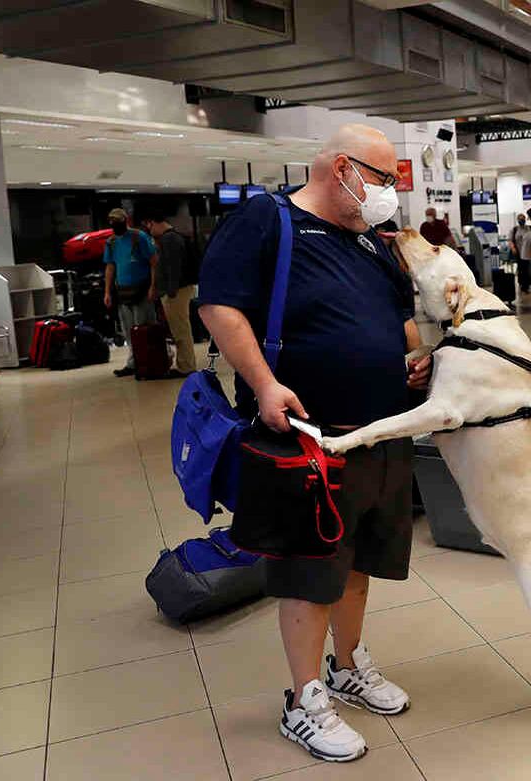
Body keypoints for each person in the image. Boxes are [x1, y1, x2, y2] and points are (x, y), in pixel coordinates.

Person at [198, 123, 432, 764]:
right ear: (340, 169)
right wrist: (266, 385)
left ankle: (345, 665)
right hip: (308, 438)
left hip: (381, 431)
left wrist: (416, 357)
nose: (389, 192)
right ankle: (304, 698)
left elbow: (401, 318)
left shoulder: (373, 244)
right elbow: (218, 306)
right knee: (310, 573)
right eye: (382, 178)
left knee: (359, 563)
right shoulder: (266, 222)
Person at [102, 207, 158, 378]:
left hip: (142, 289)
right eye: (112, 222)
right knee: (129, 331)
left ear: (125, 221)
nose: (115, 225)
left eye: (118, 221)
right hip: (123, 292)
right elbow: (110, 267)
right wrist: (107, 292)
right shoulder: (111, 242)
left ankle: (152, 361)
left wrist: (153, 287)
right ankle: (134, 363)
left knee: (145, 327)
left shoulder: (138, 237)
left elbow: (154, 261)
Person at [140, 210, 197, 377]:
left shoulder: (169, 239)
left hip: (176, 291)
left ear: (153, 222)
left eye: (148, 226)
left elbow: (173, 267)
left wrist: (170, 291)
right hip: (179, 289)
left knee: (180, 330)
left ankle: (186, 366)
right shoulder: (173, 237)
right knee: (180, 328)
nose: (149, 231)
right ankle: (185, 363)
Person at [508, 214, 531, 293]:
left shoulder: (529, 228)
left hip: (528, 252)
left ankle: (526, 285)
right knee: (521, 269)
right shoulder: (514, 229)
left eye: (523, 219)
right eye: (520, 219)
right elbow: (510, 240)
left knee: (527, 268)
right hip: (518, 252)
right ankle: (522, 284)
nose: (522, 221)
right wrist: (513, 248)